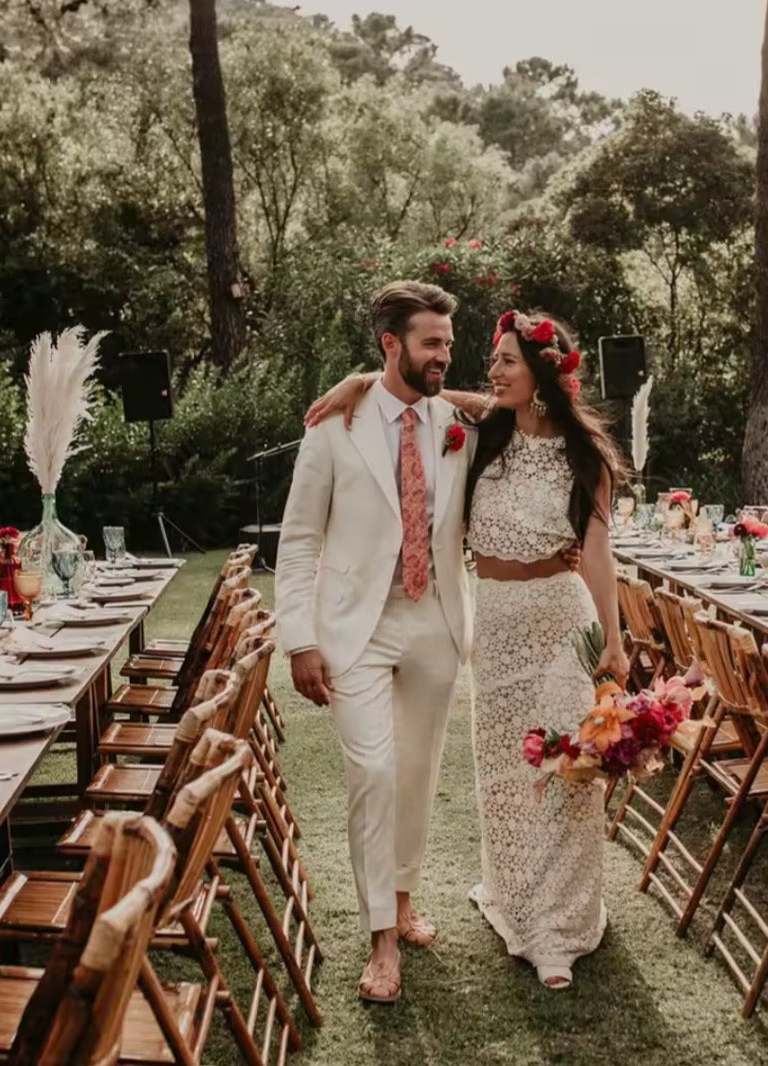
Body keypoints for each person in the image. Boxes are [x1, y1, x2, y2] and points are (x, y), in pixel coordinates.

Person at [308, 307, 628, 991]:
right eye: (494, 361)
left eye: (508, 360)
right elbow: (414, 387)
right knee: (508, 779)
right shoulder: (483, 432)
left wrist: (616, 639)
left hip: (561, 622)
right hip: (495, 625)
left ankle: (559, 930)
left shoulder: (585, 456)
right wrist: (358, 381)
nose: (493, 370)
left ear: (542, 372)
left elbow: (599, 552)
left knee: (567, 771)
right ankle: (518, 903)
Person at [274, 280, 476, 1004]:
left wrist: (363, 379)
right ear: (392, 344)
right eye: (431, 343)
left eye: (448, 344)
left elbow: (534, 406)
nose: (444, 357)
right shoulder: (334, 429)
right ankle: (380, 938)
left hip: (436, 618)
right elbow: (298, 542)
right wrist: (298, 638)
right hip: (353, 625)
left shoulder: (460, 423)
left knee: (417, 771)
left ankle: (405, 895)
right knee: (375, 772)